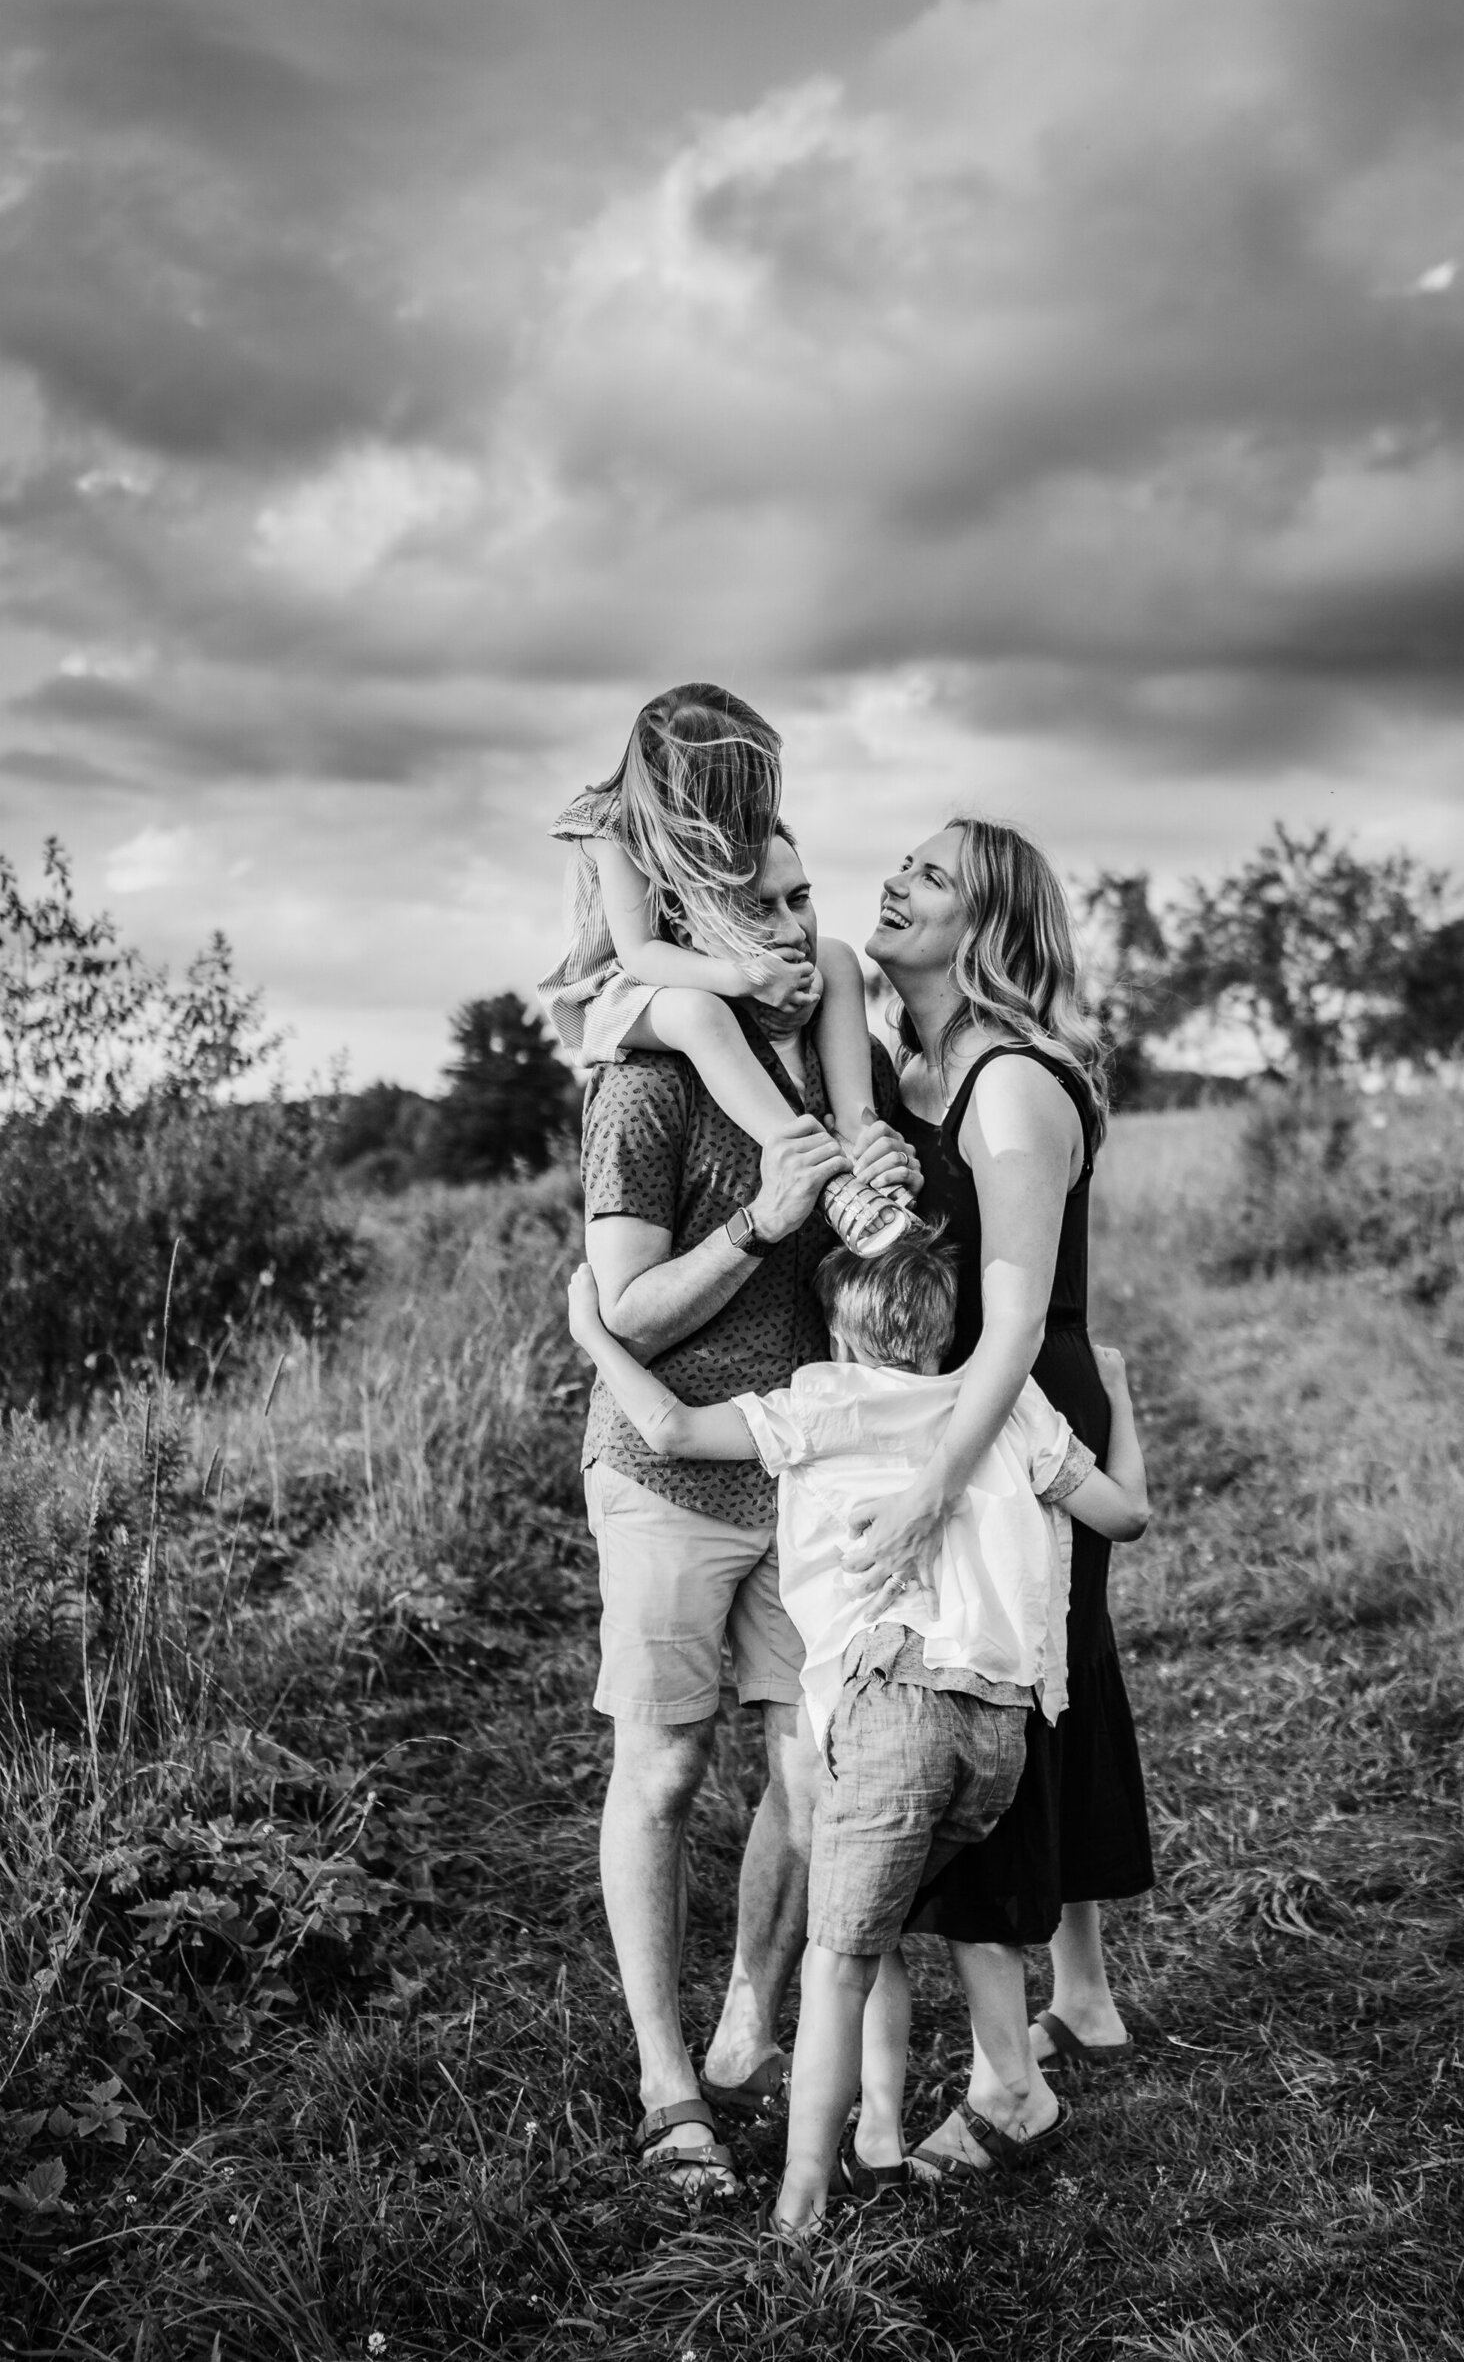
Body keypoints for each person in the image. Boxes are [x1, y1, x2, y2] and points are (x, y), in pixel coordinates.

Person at [567, 1230, 1150, 2235]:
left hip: (889, 1713)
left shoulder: (820, 1400)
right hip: (1000, 1726)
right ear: (943, 1326)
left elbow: (663, 1428)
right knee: (939, 1917)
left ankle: (801, 2199)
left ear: (836, 1331)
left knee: (840, 1957)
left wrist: (591, 1328)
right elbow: (1125, 1514)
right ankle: (896, 2128)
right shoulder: (1006, 1403)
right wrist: (1118, 1390)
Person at [575, 814, 916, 2193]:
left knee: (808, 1762)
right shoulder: (646, 1087)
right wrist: (764, 1222)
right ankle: (670, 2087)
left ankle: (748, 2012)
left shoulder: (821, 1029)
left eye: (803, 895)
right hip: (664, 1475)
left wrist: (874, 1168)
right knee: (660, 1767)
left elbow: (877, 1201)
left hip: (804, 1472)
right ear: (697, 922)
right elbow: (625, 1314)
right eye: (760, 905)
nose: (792, 924)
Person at [847, 816, 1156, 2179]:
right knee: (1059, 1680)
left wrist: (928, 1490)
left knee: (999, 1687)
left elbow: (1017, 1325)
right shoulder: (903, 1067)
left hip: (1012, 1414)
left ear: (986, 925)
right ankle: (1079, 1986)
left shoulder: (1012, 1088)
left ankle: (1006, 2069)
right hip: (969, 1415)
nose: (894, 879)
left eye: (930, 872)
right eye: (898, 861)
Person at [539, 682, 910, 1255]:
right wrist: (748, 976)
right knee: (699, 1014)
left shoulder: (709, 833)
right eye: (738, 795)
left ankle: (856, 1132)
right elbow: (640, 955)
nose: (748, 813)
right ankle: (804, 1156)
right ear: (691, 793)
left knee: (834, 954)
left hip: (696, 964)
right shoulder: (613, 831)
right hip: (615, 993)